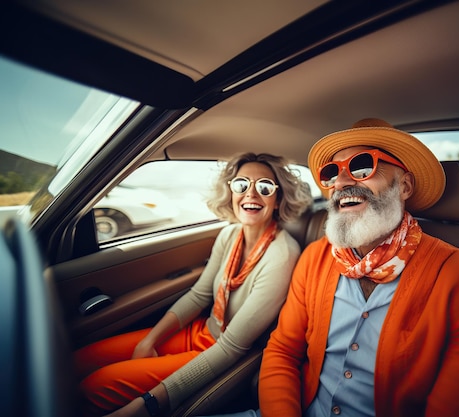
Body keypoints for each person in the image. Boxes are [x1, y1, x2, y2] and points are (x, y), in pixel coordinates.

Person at [208, 118, 459, 417]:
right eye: (332, 173)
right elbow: (283, 351)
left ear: (405, 186)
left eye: (362, 166)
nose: (342, 182)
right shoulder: (314, 258)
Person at [74, 152, 313, 417]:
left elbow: (232, 347)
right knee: (81, 359)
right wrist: (150, 340)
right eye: (241, 185)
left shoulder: (282, 256)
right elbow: (199, 295)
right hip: (201, 330)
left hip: (221, 348)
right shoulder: (229, 234)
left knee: (93, 388)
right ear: (231, 192)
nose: (251, 194)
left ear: (278, 199)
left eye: (265, 187)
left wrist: (147, 404)